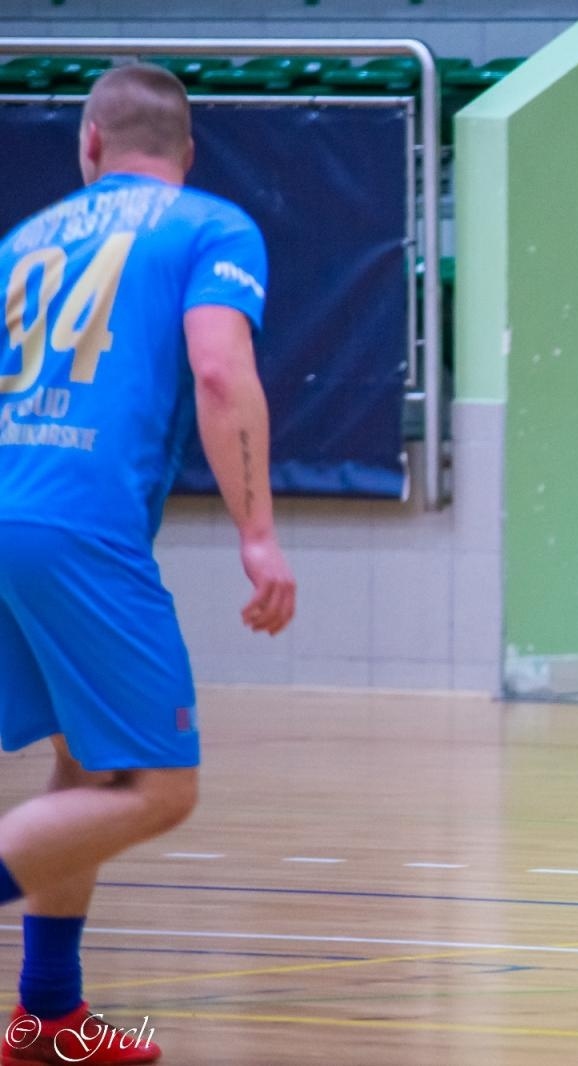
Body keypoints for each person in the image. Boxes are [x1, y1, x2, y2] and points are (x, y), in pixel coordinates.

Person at [0, 64, 295, 1065]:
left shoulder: (21, 241)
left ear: (88, 147)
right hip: (80, 527)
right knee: (160, 787)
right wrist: (257, 531)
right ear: (187, 154)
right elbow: (219, 368)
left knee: (85, 761)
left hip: (10, 512)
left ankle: (47, 1015)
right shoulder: (211, 227)